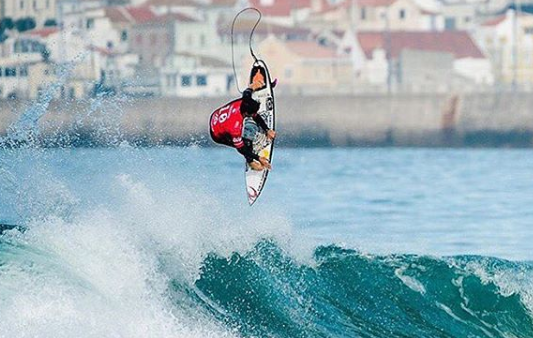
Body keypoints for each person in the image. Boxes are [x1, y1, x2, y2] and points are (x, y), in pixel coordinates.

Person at [209, 69, 276, 171]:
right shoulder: (235, 127)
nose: (255, 114)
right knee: (245, 144)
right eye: (253, 113)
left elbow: (247, 92)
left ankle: (254, 141)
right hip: (217, 134)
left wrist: (267, 130)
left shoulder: (245, 100)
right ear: (246, 113)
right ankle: (251, 163)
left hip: (216, 116)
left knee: (250, 126)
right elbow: (241, 149)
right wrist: (258, 158)